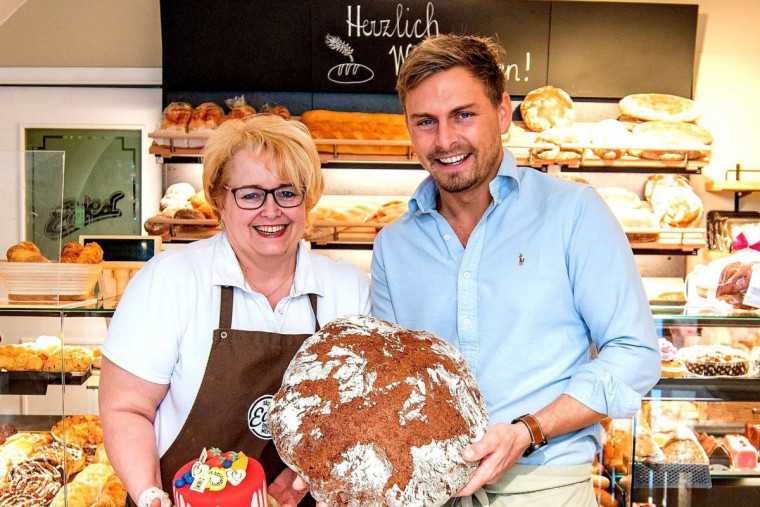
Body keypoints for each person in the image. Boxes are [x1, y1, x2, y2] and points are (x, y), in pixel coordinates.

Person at [370, 34, 661, 506]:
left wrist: (528, 431)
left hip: (546, 486)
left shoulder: (573, 213)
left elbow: (635, 353)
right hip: (430, 494)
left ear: (503, 112)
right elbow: (391, 384)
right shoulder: (393, 246)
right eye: (425, 122)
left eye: (463, 114)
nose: (445, 140)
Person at [100, 114, 371, 507]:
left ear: (307, 200)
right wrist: (147, 493)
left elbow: (362, 412)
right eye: (250, 195)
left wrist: (322, 462)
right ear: (219, 202)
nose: (271, 210)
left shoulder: (348, 290)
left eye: (287, 192)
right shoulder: (171, 280)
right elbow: (126, 407)